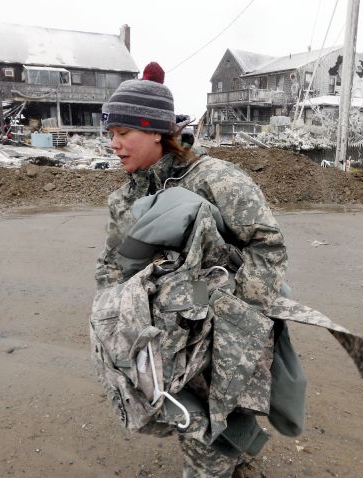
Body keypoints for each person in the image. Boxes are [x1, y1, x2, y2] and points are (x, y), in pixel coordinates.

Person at [94, 65, 288, 477]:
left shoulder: (216, 179)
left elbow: (266, 246)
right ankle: (237, 461)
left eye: (124, 133)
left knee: (211, 420)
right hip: (164, 328)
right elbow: (113, 264)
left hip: (218, 318)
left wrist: (230, 311)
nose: (114, 144)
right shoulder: (126, 196)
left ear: (155, 131)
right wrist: (114, 319)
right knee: (186, 409)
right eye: (111, 134)